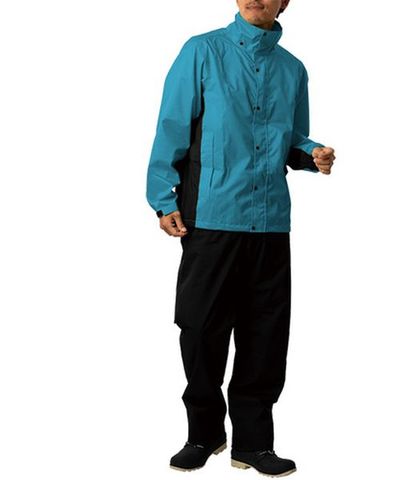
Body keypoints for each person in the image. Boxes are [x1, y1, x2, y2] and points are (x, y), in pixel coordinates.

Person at [146, 0, 335, 476]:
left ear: (284, 2)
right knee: (199, 330)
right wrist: (163, 198)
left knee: (265, 336)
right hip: (210, 218)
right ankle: (203, 433)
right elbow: (171, 127)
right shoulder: (201, 51)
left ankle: (253, 444)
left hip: (270, 222)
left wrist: (313, 153)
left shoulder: (293, 69)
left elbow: (291, 139)